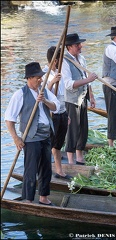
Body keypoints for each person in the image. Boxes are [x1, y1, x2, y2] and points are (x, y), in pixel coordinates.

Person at [5, 62, 60, 205]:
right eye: (38, 77)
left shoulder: (45, 92)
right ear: (29, 78)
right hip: (31, 137)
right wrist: (16, 138)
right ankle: (28, 199)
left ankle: (43, 197)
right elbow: (9, 119)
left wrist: (45, 101)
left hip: (46, 135)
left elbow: (56, 107)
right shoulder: (20, 94)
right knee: (31, 170)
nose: (41, 80)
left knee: (46, 168)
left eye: (41, 77)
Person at [61, 33, 98, 165]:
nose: (80, 46)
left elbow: (88, 80)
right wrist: (87, 79)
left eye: (80, 44)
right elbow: (68, 84)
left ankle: (79, 156)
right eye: (77, 45)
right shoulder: (65, 61)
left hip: (82, 97)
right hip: (71, 100)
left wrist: (91, 96)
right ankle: (70, 159)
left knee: (83, 127)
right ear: (69, 47)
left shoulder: (81, 58)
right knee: (73, 129)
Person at [42, 46, 72, 180]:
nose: (62, 63)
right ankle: (44, 170)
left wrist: (67, 113)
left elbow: (62, 96)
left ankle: (59, 171)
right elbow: (43, 95)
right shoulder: (44, 74)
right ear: (55, 61)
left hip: (62, 112)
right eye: (60, 60)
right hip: (51, 114)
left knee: (58, 144)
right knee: (50, 143)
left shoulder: (61, 73)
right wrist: (52, 82)